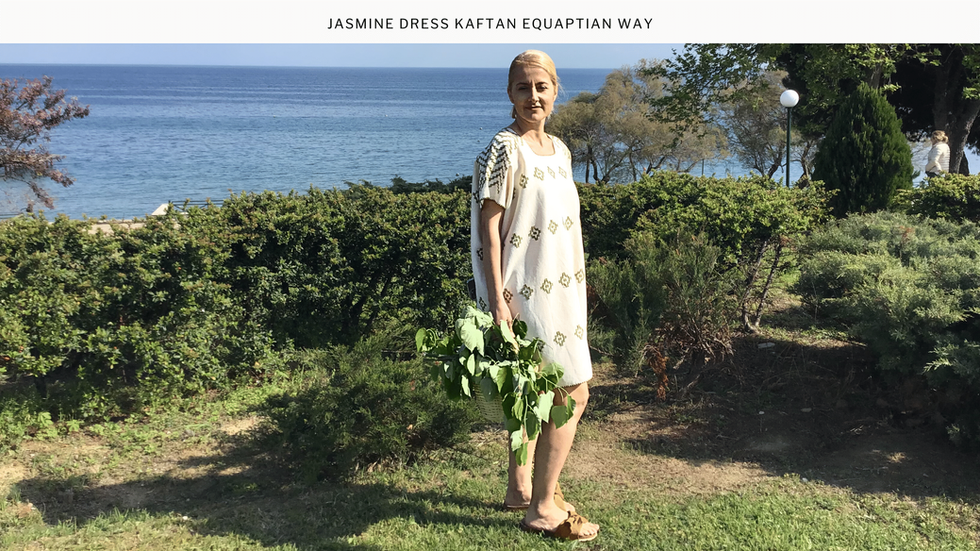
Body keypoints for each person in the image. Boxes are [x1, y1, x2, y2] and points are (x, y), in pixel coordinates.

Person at [470, 50, 599, 542]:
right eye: (522, 87)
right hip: (523, 291)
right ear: (509, 93)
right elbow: (489, 228)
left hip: (563, 287)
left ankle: (520, 488)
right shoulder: (505, 148)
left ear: (555, 90)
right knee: (573, 392)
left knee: (536, 392)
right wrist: (496, 300)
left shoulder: (560, 150)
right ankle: (543, 507)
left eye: (541, 86)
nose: (533, 96)